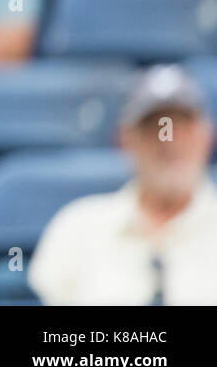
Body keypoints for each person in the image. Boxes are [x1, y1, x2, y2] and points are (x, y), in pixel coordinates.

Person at [28, 65, 217, 305]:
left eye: (183, 125)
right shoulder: (76, 227)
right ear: (125, 139)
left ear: (207, 135)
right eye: (154, 127)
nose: (170, 141)